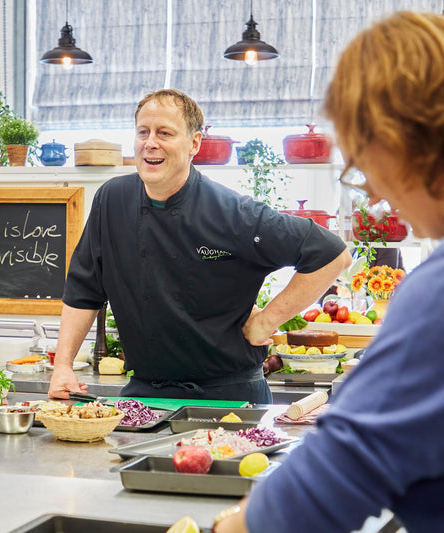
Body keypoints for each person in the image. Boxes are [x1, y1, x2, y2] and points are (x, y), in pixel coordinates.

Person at [214, 11, 444, 533]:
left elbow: (326, 488)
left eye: (363, 162)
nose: (376, 195)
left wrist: (227, 527)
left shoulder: (435, 295)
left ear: (400, 138)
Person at [48, 88, 351, 404]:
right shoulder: (112, 200)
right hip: (144, 394)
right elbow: (84, 290)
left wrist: (267, 321)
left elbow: (331, 253)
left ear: (194, 143)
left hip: (230, 396)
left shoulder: (231, 212)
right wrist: (63, 366)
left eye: (165, 133)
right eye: (143, 132)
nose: (150, 143)